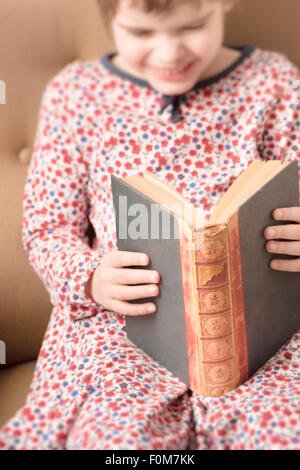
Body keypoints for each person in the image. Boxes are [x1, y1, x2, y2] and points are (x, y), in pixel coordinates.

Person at [1, 0, 300, 450]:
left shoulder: (273, 82)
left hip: (259, 328)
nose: (169, 53)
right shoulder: (77, 94)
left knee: (283, 431)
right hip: (121, 326)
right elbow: (47, 228)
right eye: (142, 34)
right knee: (115, 441)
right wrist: (91, 279)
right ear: (109, 18)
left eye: (194, 26)